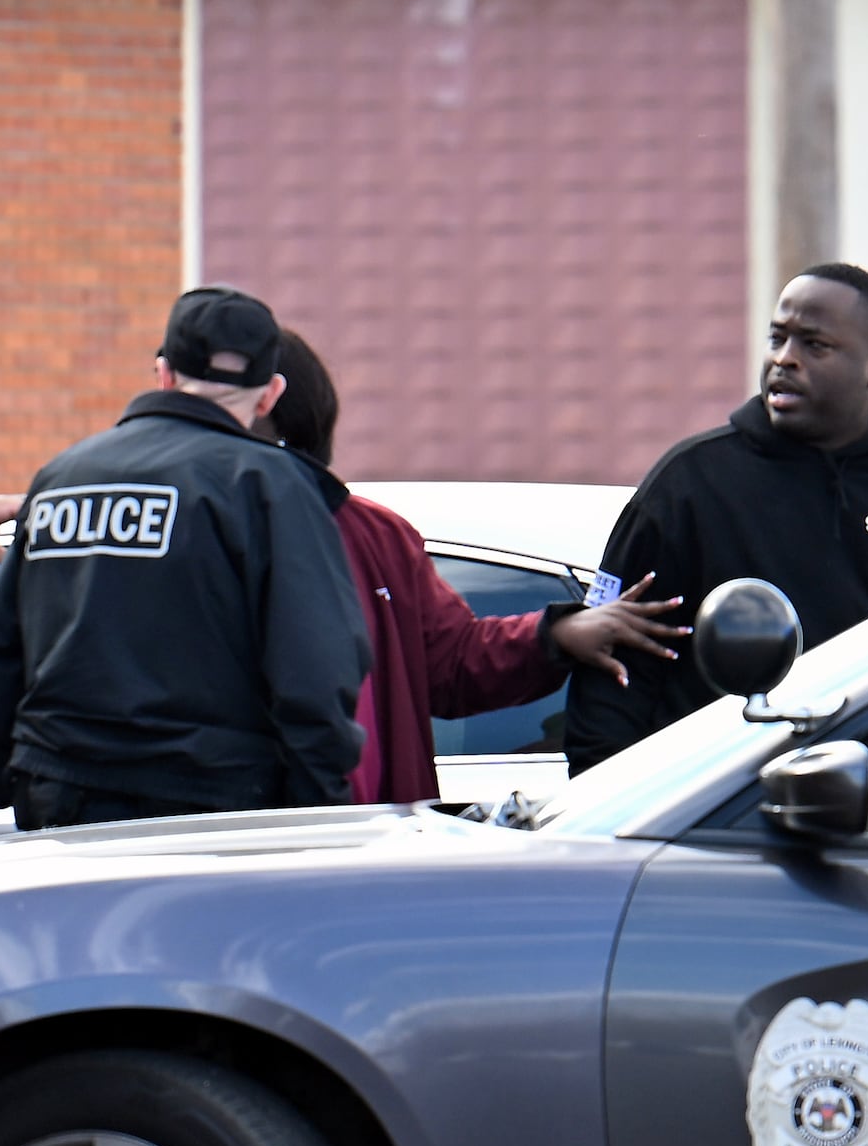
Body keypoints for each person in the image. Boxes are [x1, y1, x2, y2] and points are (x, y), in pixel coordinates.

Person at [0, 285, 368, 828]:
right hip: (215, 809)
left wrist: (11, 773)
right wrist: (315, 808)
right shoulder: (269, 486)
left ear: (164, 373)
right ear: (269, 395)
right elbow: (316, 664)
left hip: (60, 798)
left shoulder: (62, 477)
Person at [561, 263, 868, 772]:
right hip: (707, 818)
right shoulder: (692, 483)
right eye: (778, 337)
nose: (784, 359)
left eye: (814, 345)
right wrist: (608, 806)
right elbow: (614, 669)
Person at [265, 329, 684, 806]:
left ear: (276, 409)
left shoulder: (373, 537)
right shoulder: (186, 536)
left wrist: (556, 636)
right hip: (218, 836)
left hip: (361, 840)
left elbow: (449, 661)